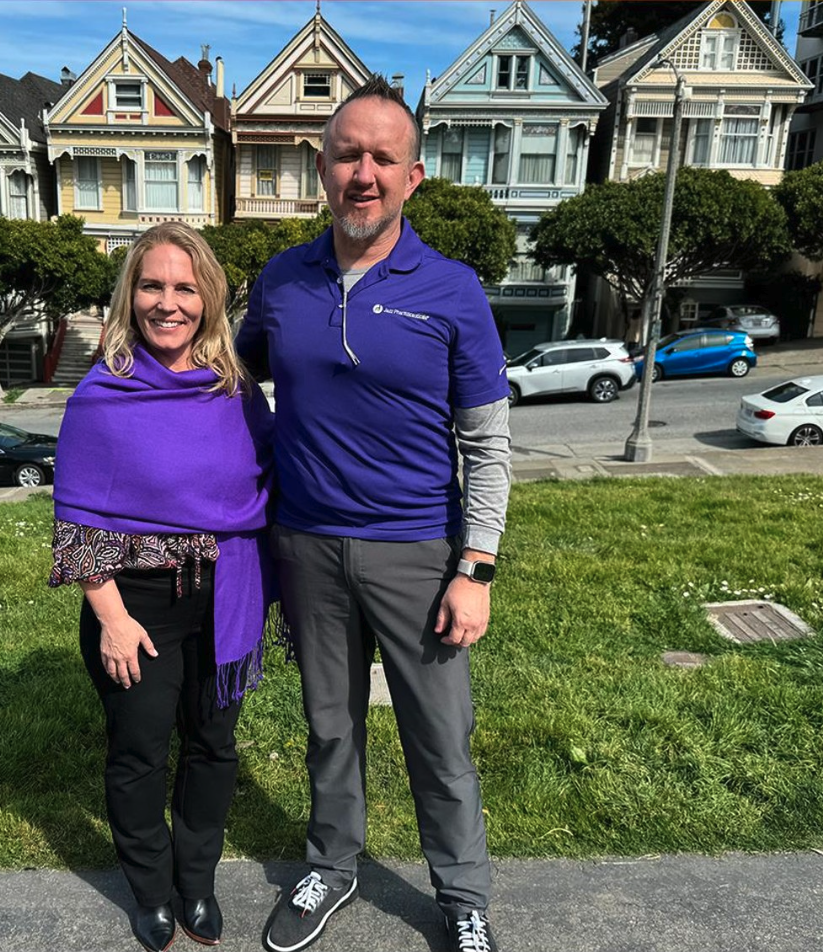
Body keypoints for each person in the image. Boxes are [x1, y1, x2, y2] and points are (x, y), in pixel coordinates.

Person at [235, 76, 511, 952]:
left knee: (439, 739)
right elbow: (224, 377)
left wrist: (476, 569)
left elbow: (490, 447)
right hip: (307, 548)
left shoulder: (453, 289)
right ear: (320, 166)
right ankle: (333, 863)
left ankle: (463, 898)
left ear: (413, 176)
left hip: (418, 553)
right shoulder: (281, 281)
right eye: (347, 153)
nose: (364, 172)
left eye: (382, 157)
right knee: (329, 725)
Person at [51, 222, 274, 952]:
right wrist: (110, 617)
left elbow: (271, 480)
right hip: (135, 602)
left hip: (226, 592)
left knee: (214, 744)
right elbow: (78, 517)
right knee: (140, 752)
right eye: (152, 285)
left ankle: (197, 883)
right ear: (130, 294)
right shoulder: (102, 393)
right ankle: (150, 891)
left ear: (209, 298)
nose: (168, 303)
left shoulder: (235, 390)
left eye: (185, 288)